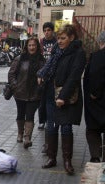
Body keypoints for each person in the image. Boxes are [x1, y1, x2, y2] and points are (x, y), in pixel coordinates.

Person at [37, 24, 86, 175]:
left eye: (63, 38)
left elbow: (74, 77)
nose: (59, 41)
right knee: (51, 126)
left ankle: (67, 161)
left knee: (65, 127)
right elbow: (49, 67)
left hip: (67, 96)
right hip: (52, 94)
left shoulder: (78, 53)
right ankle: (52, 158)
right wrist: (42, 74)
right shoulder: (57, 51)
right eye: (58, 38)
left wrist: (63, 97)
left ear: (71, 38)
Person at [8, 37, 45, 148]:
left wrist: (41, 86)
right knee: (20, 114)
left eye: (34, 45)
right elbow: (11, 74)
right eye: (29, 45)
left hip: (34, 93)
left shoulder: (41, 60)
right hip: (20, 92)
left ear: (37, 47)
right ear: (26, 47)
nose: (32, 47)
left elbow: (45, 76)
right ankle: (20, 133)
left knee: (30, 115)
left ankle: (27, 137)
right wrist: (15, 86)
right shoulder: (20, 59)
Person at [83, 31, 105, 163]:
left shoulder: (98, 56)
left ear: (100, 41)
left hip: (98, 101)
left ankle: (96, 157)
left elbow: (95, 74)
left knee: (93, 129)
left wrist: (94, 93)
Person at [38, 22, 57, 141]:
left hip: (52, 76)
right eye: (45, 30)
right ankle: (41, 121)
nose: (46, 32)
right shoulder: (41, 42)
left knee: (50, 101)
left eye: (49, 30)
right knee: (41, 101)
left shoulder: (56, 42)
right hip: (41, 75)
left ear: (52, 31)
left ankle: (50, 121)